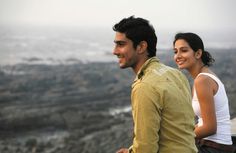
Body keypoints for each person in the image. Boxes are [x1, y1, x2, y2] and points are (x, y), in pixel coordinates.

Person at [113, 16, 197, 153]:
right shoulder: (175, 74)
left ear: (141, 47)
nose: (114, 51)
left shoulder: (145, 86)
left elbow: (146, 149)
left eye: (121, 44)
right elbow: (176, 130)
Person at [173, 32, 234, 153]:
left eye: (184, 50)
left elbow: (210, 128)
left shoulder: (202, 80)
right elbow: (202, 123)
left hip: (213, 147)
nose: (178, 56)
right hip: (213, 144)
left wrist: (178, 138)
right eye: (175, 52)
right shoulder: (203, 77)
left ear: (198, 53)